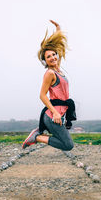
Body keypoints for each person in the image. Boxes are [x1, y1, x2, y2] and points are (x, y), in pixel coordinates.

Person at [22, 20, 76, 151]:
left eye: (53, 54)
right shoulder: (50, 73)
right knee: (68, 145)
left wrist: (58, 29)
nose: (52, 57)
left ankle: (38, 135)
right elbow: (42, 95)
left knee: (66, 143)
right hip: (52, 116)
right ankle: (37, 137)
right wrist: (55, 113)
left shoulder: (59, 70)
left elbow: (58, 46)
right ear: (45, 61)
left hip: (59, 114)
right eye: (48, 57)